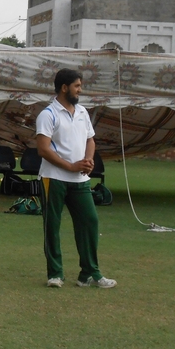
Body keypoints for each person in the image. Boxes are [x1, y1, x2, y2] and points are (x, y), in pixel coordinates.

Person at [36, 68, 116, 289]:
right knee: (52, 225)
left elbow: (90, 140)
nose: (80, 90)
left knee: (89, 221)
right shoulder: (48, 114)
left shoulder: (82, 112)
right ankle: (55, 274)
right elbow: (43, 149)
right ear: (64, 88)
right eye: (77, 86)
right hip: (53, 178)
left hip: (80, 180)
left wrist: (88, 161)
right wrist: (70, 166)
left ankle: (89, 274)